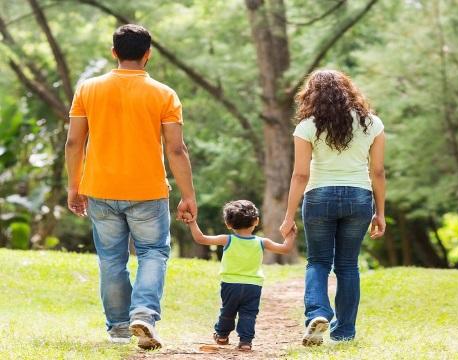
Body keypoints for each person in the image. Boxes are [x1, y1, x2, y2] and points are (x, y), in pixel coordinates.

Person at [65, 24, 196, 349]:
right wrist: (188, 195)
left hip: (100, 188)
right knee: (153, 253)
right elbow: (176, 149)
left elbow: (73, 143)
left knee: (111, 259)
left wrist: (74, 185)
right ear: (148, 54)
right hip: (148, 191)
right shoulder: (164, 94)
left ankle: (120, 329)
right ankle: (144, 314)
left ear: (114, 53)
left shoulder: (88, 89)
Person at [279, 69, 386, 346]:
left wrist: (288, 216)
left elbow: (300, 174)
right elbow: (378, 172)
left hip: (319, 197)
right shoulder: (372, 123)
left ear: (312, 95)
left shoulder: (307, 126)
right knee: (348, 266)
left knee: (318, 262)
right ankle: (345, 332)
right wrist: (380, 212)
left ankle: (318, 313)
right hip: (359, 197)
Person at [184, 200, 297, 351]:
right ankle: (245, 342)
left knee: (228, 310)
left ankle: (222, 335)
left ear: (228, 224)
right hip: (253, 286)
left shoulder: (227, 239)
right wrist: (291, 233)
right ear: (256, 221)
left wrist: (192, 222)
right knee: (249, 313)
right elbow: (285, 248)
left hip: (230, 284)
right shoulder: (262, 242)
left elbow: (201, 238)